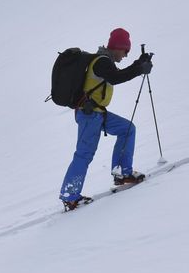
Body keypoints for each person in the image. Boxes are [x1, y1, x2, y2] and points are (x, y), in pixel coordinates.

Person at [59, 28, 154, 211]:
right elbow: (117, 78)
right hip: (89, 115)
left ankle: (121, 173)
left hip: (97, 113)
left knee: (127, 129)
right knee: (84, 154)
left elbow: (117, 74)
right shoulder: (102, 62)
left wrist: (139, 64)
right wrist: (139, 69)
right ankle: (70, 195)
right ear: (117, 47)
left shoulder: (105, 62)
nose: (125, 55)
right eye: (126, 51)